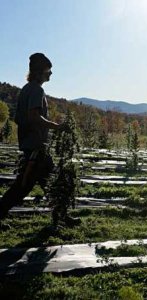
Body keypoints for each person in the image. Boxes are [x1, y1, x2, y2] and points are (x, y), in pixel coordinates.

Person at [0, 53, 80, 229]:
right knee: (23, 187)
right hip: (36, 146)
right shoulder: (36, 90)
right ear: (39, 72)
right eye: (48, 71)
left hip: (34, 145)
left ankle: (61, 217)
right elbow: (34, 116)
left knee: (50, 182)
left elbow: (19, 118)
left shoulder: (26, 89)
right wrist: (56, 127)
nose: (50, 74)